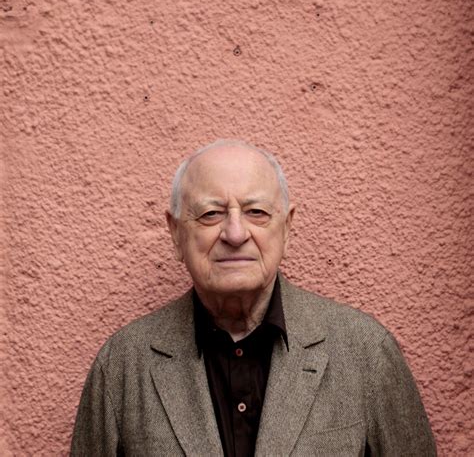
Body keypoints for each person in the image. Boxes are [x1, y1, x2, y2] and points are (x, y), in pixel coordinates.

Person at [70, 139, 436, 456]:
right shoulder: (121, 365)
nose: (234, 232)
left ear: (287, 228)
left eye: (256, 212)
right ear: (176, 233)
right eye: (211, 213)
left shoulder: (367, 353)